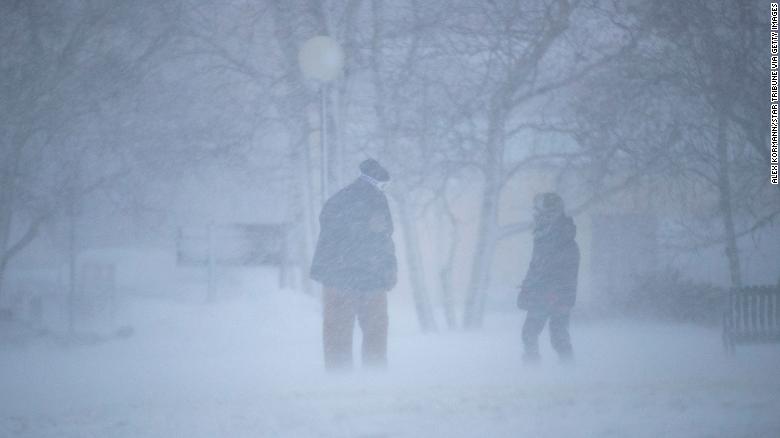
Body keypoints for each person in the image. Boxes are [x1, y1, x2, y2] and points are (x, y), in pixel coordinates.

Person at [310, 159, 397, 371]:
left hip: (337, 278)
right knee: (375, 333)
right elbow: (384, 239)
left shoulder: (337, 200)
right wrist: (389, 271)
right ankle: (375, 378)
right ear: (380, 182)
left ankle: (338, 379)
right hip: (371, 278)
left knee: (337, 333)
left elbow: (328, 238)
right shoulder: (377, 201)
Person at [517, 192, 580, 364]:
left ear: (551, 212)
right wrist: (527, 288)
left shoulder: (561, 239)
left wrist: (554, 294)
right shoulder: (545, 237)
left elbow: (563, 272)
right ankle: (555, 372)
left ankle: (560, 373)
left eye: (538, 211)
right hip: (545, 294)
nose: (535, 215)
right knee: (548, 335)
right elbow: (537, 268)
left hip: (551, 295)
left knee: (544, 334)